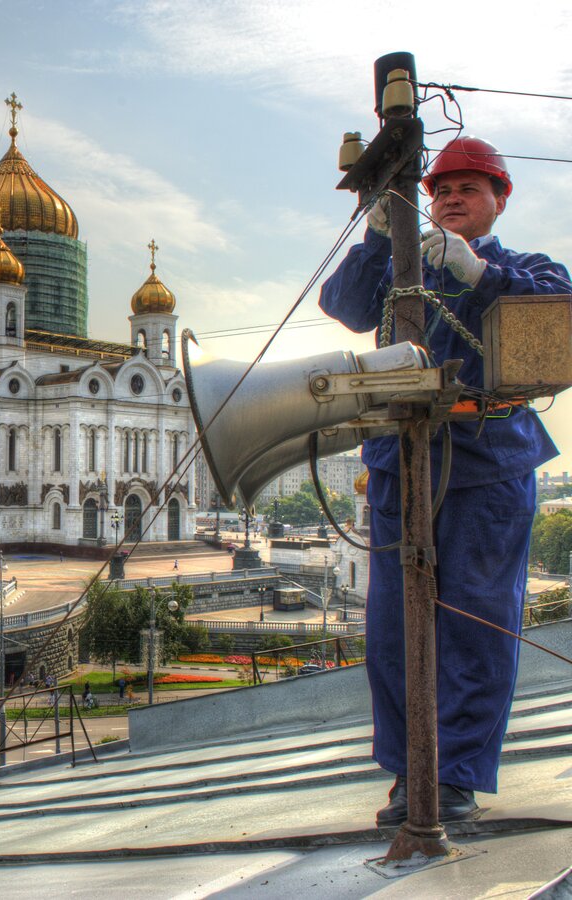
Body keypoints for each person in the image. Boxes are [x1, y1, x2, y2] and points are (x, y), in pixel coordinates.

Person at [320, 136, 570, 826]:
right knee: (395, 628)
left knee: (477, 621)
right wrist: (376, 236)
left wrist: (481, 273)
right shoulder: (407, 270)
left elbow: (556, 316)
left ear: (499, 199)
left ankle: (453, 776)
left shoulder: (527, 268)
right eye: (441, 191)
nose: (452, 199)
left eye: (468, 188)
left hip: (489, 460)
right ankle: (410, 773)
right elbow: (343, 303)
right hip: (404, 460)